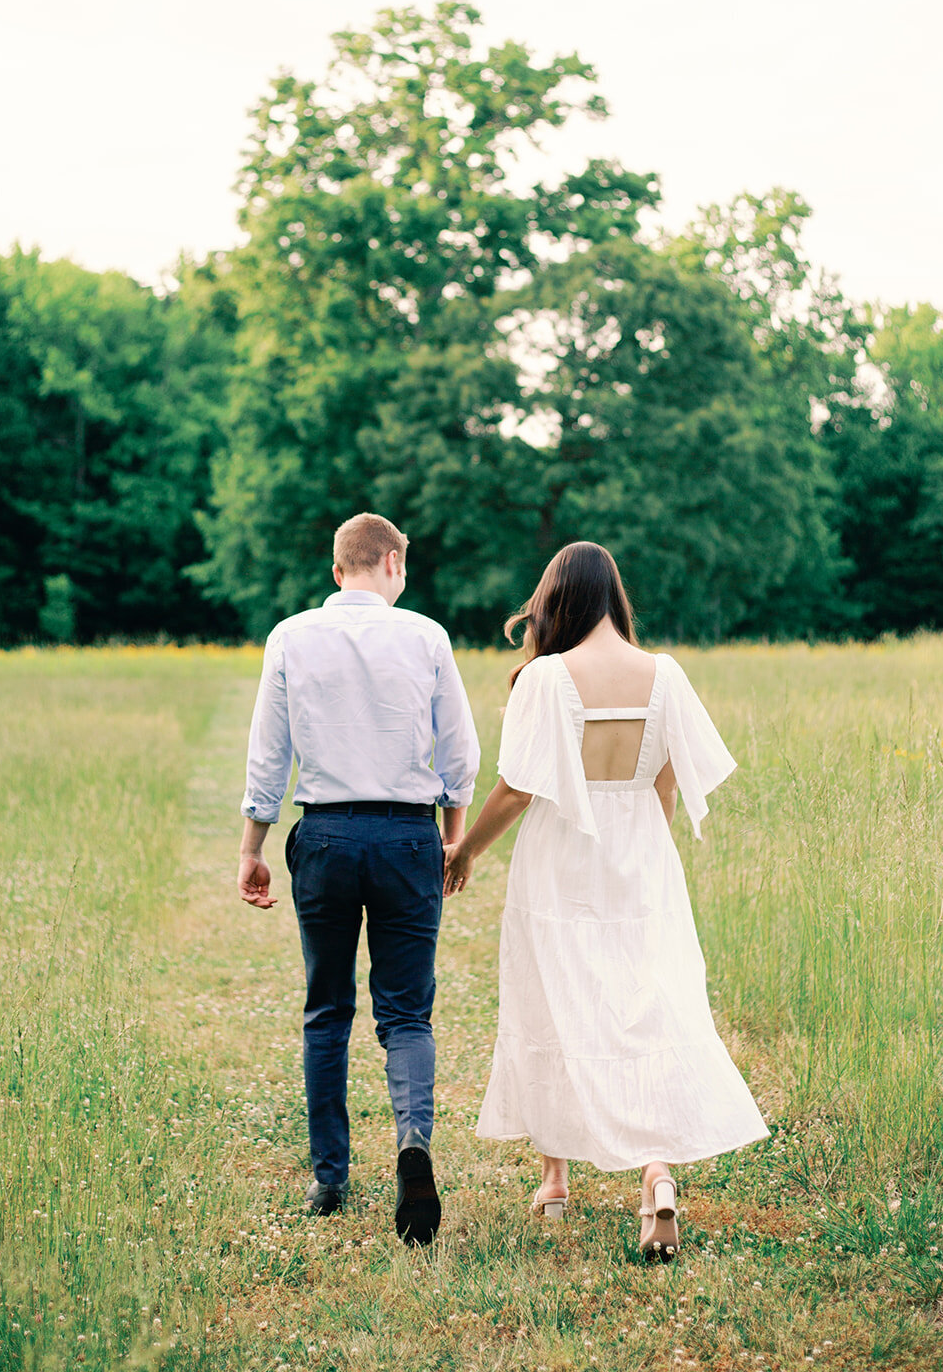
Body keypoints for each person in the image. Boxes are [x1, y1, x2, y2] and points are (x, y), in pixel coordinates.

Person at [442, 541, 767, 1259]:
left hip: (561, 854)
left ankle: (555, 1181)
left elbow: (520, 788)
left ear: (557, 603)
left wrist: (464, 851)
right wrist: (640, 849)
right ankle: (655, 1176)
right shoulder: (665, 675)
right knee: (642, 1006)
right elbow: (669, 784)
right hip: (642, 856)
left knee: (553, 998)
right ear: (615, 598)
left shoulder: (547, 677)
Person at [237, 512, 480, 1246]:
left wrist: (253, 844)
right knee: (406, 1014)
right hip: (408, 836)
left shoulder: (290, 636)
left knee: (328, 1007)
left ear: (338, 570)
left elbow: (268, 754)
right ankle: (413, 1147)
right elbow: (461, 753)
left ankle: (329, 1175)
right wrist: (453, 838)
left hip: (328, 834)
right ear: (393, 566)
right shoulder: (426, 636)